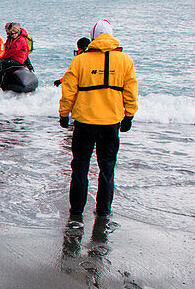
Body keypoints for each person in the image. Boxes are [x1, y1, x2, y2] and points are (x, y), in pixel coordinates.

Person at [58, 19, 138, 221]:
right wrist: (129, 115)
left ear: (93, 37)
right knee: (107, 168)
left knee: (80, 167)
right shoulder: (125, 61)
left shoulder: (80, 60)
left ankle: (76, 213)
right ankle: (103, 212)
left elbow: (68, 91)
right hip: (111, 123)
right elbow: (131, 91)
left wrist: (63, 113)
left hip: (84, 123)